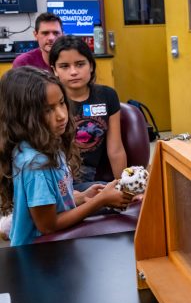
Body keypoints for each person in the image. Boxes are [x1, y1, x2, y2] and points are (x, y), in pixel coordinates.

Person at [0, 67, 132, 246]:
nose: (62, 115)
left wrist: (82, 197)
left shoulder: (48, 142)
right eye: (48, 110)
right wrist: (101, 200)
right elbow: (49, 225)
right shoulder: (35, 164)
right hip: (40, 254)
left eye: (62, 103)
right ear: (23, 115)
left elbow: (55, 201)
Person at [49, 35, 126, 191]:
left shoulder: (107, 95)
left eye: (80, 64)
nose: (73, 72)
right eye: (64, 66)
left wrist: (124, 187)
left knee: (124, 195)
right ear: (54, 70)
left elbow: (116, 150)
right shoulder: (49, 99)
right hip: (55, 175)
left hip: (86, 176)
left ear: (91, 65)